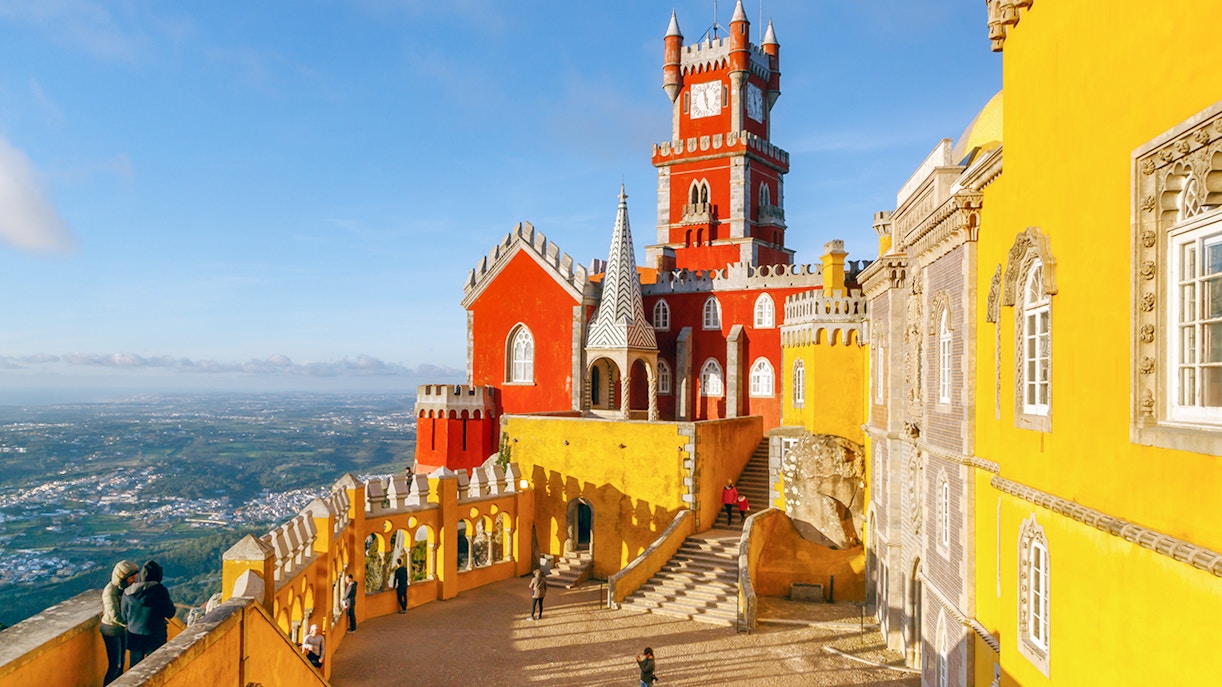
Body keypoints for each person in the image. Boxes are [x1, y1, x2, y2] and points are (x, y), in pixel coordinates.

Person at [121, 560, 176, 667]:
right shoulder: (160, 591)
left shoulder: (128, 593)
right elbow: (170, 613)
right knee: (156, 668)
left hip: (134, 637)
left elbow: (124, 617)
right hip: (155, 637)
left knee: (134, 671)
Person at [100, 559, 139, 685]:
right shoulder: (110, 592)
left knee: (122, 662)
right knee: (115, 665)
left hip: (122, 629)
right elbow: (114, 615)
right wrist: (131, 624)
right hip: (111, 630)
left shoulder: (126, 589)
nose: (134, 580)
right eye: (131, 577)